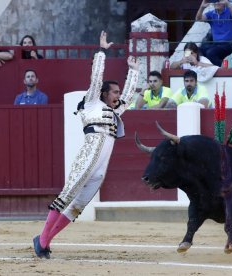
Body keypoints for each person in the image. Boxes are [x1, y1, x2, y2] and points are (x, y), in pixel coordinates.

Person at [32, 30, 139, 259]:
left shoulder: (114, 110)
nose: (119, 95)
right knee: (68, 194)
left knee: (78, 205)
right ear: (103, 93)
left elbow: (129, 97)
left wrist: (134, 71)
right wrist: (101, 51)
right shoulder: (92, 103)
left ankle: (45, 241)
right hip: (89, 155)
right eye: (115, 92)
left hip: (101, 164)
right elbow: (96, 78)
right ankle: (42, 241)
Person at [196, 0, 232, 66]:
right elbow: (198, 19)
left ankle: (223, 69)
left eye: (219, 1)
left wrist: (228, 4)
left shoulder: (229, 10)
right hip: (216, 44)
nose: (216, 3)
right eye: (215, 1)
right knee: (198, 50)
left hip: (229, 44)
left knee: (211, 53)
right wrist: (202, 7)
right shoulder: (211, 13)